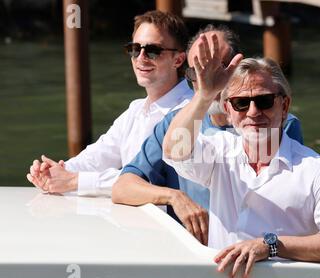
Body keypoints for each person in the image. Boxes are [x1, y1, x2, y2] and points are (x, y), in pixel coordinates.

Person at [162, 37, 320, 278]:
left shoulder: (317, 170)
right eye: (240, 103)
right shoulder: (218, 151)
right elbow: (175, 149)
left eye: (264, 101)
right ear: (228, 111)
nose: (252, 112)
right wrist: (205, 95)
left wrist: (271, 246)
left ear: (284, 106)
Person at [112, 25, 304, 246]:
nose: (206, 82)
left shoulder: (276, 123)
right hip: (194, 254)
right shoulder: (173, 124)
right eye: (197, 73)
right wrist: (174, 197)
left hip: (256, 249)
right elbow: (123, 187)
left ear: (237, 69)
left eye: (215, 70)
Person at [26, 10, 192, 196]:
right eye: (135, 49)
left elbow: (149, 180)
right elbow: (98, 156)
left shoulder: (189, 112)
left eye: (153, 51)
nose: (141, 57)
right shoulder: (136, 109)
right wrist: (55, 172)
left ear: (178, 60)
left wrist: (74, 181)